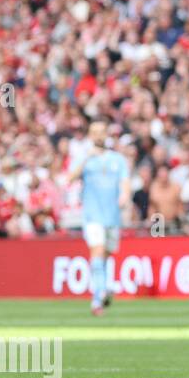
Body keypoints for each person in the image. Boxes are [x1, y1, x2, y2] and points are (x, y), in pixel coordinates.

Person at [67, 121, 131, 315]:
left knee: (106, 254)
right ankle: (99, 296)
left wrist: (124, 197)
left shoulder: (117, 159)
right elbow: (69, 178)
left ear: (107, 134)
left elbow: (125, 182)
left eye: (101, 131)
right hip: (92, 215)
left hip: (112, 215)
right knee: (98, 250)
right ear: (89, 135)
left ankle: (103, 289)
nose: (98, 135)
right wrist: (86, 158)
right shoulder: (84, 158)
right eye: (94, 132)